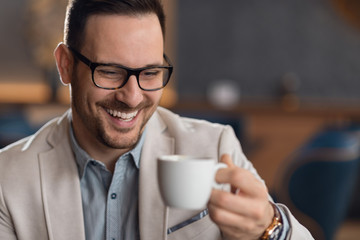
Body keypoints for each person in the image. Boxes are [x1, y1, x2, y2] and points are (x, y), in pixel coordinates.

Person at [0, 0, 313, 239]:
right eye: (110, 72)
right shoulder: (7, 180)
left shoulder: (215, 148)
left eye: (150, 73)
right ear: (66, 65)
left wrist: (269, 227)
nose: (133, 97)